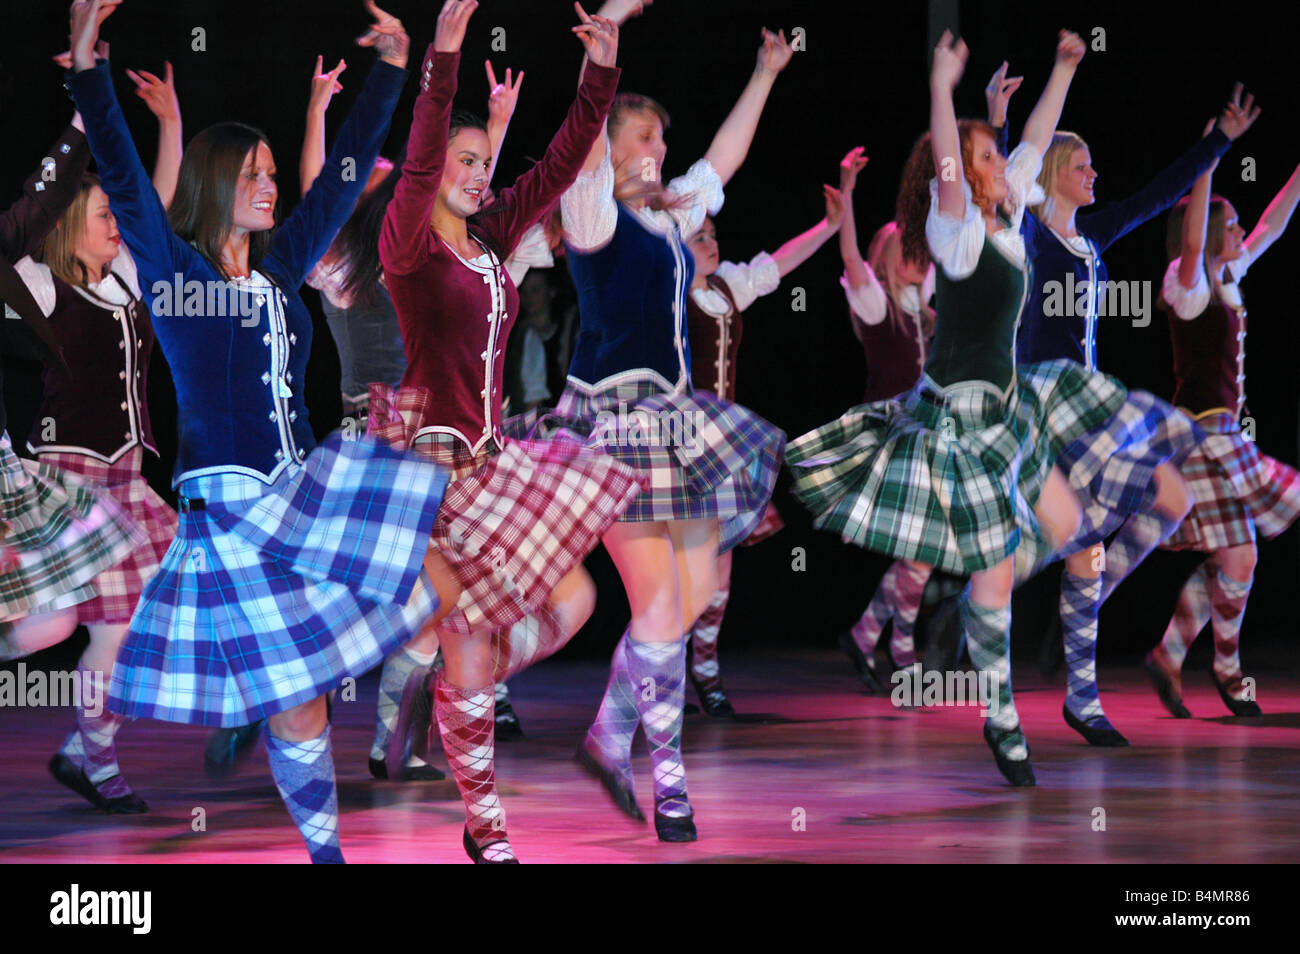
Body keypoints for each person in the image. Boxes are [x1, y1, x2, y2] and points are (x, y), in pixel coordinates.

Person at [68, 0, 463, 863]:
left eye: (272, 172)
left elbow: (344, 178)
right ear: (215, 184)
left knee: (426, 585)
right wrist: (90, 70)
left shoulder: (282, 269)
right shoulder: (174, 274)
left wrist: (392, 73)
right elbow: (127, 178)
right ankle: (327, 854)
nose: (269, 184)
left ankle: (333, 803)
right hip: (235, 512)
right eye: (252, 173)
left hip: (299, 494)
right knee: (302, 703)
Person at [788, 30, 1126, 786]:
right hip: (960, 420)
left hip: (1008, 412)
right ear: (962, 179)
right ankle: (1001, 714)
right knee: (1001, 568)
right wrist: (942, 89)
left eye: (996, 160)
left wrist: (1066, 66)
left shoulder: (1008, 225)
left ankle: (979, 605)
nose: (1002, 166)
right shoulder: (959, 231)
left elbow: (1034, 139)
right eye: (985, 160)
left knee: (1077, 535)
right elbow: (949, 164)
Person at [365, 0, 643, 863]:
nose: (481, 173)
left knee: (576, 600)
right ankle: (487, 832)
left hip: (491, 464)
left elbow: (560, 165)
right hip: (427, 475)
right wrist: (442, 60)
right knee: (475, 650)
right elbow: (417, 166)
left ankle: (451, 688)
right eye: (467, 160)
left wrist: (603, 67)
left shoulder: (491, 238)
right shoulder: (409, 246)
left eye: (486, 161)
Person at [527, 0, 788, 838]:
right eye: (644, 139)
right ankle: (668, 778)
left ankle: (609, 733)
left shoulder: (676, 222)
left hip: (680, 426)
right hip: (616, 428)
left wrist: (766, 74)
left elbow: (724, 159)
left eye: (661, 142)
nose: (660, 153)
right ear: (609, 148)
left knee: (696, 590)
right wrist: (602, 56)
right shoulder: (592, 215)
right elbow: (581, 146)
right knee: (660, 607)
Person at [1146, 125, 1300, 718]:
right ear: (1209, 233)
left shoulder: (1230, 277)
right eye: (1229, 225)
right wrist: (1209, 156)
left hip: (1220, 438)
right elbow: (1190, 245)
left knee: (1235, 558)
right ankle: (1227, 671)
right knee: (1243, 551)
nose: (1240, 232)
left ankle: (1172, 655)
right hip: (1202, 437)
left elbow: (1273, 225)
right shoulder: (1187, 285)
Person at [679, 175, 844, 716]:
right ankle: (661, 669)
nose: (711, 241)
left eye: (713, 233)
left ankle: (704, 672)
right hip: (679, 444)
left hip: (722, 445)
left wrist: (830, 226)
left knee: (720, 568)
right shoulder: (669, 292)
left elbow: (777, 265)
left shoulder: (726, 286)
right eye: (698, 235)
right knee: (686, 568)